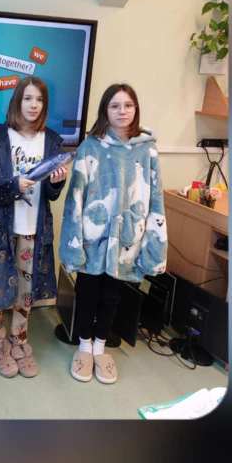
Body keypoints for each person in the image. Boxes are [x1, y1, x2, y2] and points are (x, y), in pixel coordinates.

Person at [59, 83, 167, 385]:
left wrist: (154, 244)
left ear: (136, 109)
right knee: (88, 292)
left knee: (112, 295)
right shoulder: (90, 147)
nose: (122, 111)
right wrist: (73, 242)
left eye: (128, 105)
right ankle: (84, 346)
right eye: (115, 106)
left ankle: (100, 346)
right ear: (105, 110)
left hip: (127, 239)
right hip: (93, 238)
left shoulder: (147, 150)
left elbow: (156, 198)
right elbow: (75, 199)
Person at [0, 77, 68, 378]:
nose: (33, 105)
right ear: (18, 101)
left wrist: (57, 183)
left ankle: (19, 340)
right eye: (28, 98)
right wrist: (12, 186)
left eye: (39, 100)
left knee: (26, 291)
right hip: (1, 228)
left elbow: (51, 194)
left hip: (33, 228)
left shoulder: (51, 140)